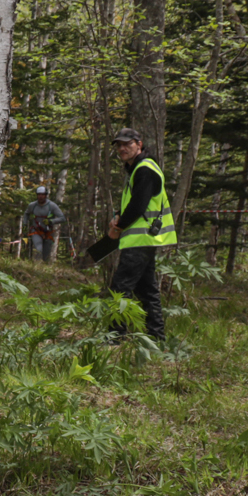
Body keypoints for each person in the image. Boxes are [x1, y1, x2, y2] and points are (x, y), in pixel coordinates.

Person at [107, 127, 176, 340]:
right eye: (119, 145)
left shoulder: (145, 169)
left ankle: (115, 337)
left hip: (140, 239)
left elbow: (138, 206)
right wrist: (118, 216)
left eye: (127, 144)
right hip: (143, 238)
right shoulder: (138, 168)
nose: (122, 148)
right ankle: (157, 337)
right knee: (147, 290)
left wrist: (117, 227)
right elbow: (134, 202)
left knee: (120, 288)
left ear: (139, 144)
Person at [24, 186, 65, 263]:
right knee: (39, 249)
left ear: (46, 195)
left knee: (46, 254)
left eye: (42, 194)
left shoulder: (52, 205)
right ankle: (36, 265)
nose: (40, 196)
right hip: (36, 231)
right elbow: (26, 214)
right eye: (39, 194)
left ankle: (44, 267)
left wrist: (51, 221)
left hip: (48, 232)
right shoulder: (32, 205)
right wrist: (25, 224)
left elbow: (62, 218)